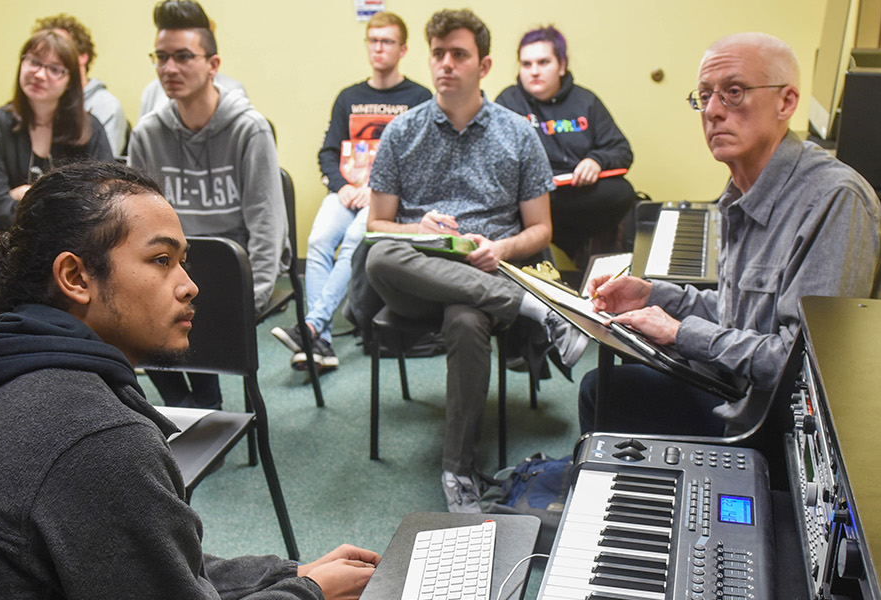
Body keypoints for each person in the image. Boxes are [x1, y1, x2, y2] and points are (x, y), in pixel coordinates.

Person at [0, 161, 377, 600]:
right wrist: (312, 594)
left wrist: (292, 574)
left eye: (182, 261)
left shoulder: (9, 371)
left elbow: (157, 566)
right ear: (75, 277)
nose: (189, 285)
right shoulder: (96, 439)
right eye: (160, 260)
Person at [579, 32, 881, 438]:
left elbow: (800, 366)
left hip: (778, 426)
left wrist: (679, 332)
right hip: (736, 388)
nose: (712, 111)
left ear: (787, 102)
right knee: (612, 382)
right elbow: (737, 312)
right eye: (704, 96)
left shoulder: (834, 202)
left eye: (734, 92)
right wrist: (653, 295)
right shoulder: (741, 190)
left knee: (606, 392)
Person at [363, 9, 587, 513]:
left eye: (458, 54)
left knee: (466, 322)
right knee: (379, 258)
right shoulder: (402, 132)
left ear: (483, 65)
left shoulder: (517, 134)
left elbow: (541, 230)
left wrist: (500, 248)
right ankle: (536, 308)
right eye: (438, 54)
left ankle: (458, 471)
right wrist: (417, 228)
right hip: (420, 276)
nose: (445, 64)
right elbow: (377, 224)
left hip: (485, 272)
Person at [128, 0, 287, 409]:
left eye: (183, 57)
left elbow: (267, 223)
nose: (169, 68)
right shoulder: (147, 133)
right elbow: (136, 223)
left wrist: (254, 299)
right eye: (161, 58)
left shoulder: (248, 129)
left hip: (229, 268)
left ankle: (201, 407)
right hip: (173, 263)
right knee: (126, 308)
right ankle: (190, 405)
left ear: (213, 64)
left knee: (191, 299)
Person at [269, 11, 431, 372]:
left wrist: (374, 188)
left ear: (403, 48)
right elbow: (328, 152)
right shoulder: (349, 97)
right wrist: (342, 187)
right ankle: (321, 339)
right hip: (347, 192)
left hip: (388, 199)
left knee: (357, 241)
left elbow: (421, 161)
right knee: (319, 240)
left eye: (387, 41)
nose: (379, 48)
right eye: (373, 40)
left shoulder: (420, 97)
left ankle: (312, 327)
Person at [495, 26, 637, 265]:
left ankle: (590, 254)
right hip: (536, 196)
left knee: (623, 192)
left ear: (561, 65)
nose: (534, 72)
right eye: (526, 64)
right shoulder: (507, 102)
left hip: (580, 193)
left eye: (543, 62)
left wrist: (596, 161)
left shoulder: (586, 100)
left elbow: (621, 150)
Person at [0, 29, 114, 236]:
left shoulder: (90, 128)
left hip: (75, 243)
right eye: (34, 62)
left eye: (55, 69)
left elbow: (102, 201)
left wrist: (28, 195)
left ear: (70, 81)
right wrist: (62, 201)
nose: (40, 75)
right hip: (12, 244)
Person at [33, 14, 130, 156]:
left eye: (61, 49)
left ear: (82, 57)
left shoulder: (105, 106)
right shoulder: (40, 103)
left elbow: (103, 169)